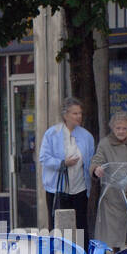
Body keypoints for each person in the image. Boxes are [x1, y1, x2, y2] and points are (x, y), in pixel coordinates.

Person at [90, 111, 127, 250]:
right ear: (112, 128)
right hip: (112, 193)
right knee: (112, 232)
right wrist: (96, 169)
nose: (121, 131)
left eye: (124, 128)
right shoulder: (105, 143)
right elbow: (96, 160)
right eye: (118, 128)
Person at [38, 97, 94, 238]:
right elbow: (44, 158)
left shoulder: (86, 136)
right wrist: (63, 163)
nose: (79, 116)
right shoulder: (52, 134)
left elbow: (91, 160)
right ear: (65, 115)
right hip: (57, 189)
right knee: (58, 226)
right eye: (75, 113)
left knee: (81, 226)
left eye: (80, 113)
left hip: (80, 187)